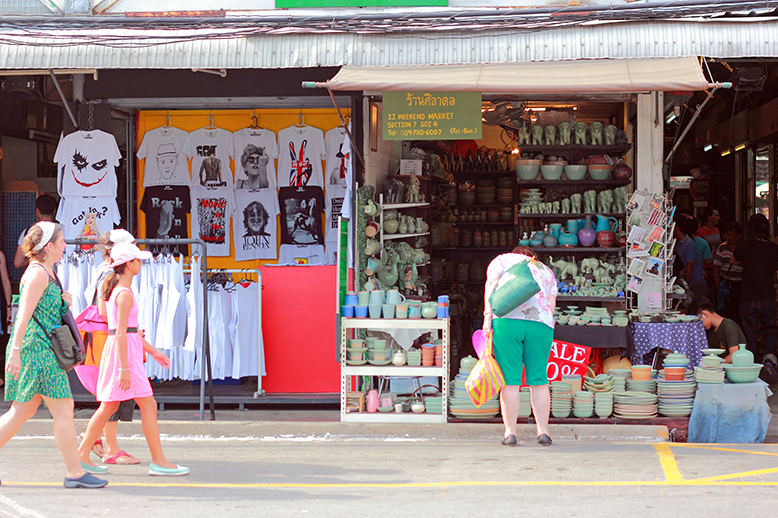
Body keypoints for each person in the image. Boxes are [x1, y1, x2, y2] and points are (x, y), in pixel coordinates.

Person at [0, 222, 107, 488]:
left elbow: (42, 310)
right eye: (61, 241)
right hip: (37, 350)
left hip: (36, 349)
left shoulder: (45, 271)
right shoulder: (38, 274)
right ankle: (74, 472)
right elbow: (22, 315)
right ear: (48, 246)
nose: (65, 245)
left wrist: (63, 300)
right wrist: (15, 352)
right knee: (62, 409)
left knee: (21, 411)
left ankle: (75, 471)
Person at [78, 242, 188, 476]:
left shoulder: (117, 290)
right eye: (138, 260)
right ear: (129, 265)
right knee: (144, 405)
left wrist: (151, 351)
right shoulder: (124, 294)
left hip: (122, 351)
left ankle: (81, 455)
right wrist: (125, 368)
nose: (141, 263)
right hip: (124, 354)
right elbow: (122, 332)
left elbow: (127, 331)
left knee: (110, 406)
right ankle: (158, 461)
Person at [483, 246, 557, 447]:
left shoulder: (501, 260)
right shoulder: (545, 270)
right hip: (540, 324)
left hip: (508, 322)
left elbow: (492, 285)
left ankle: (510, 433)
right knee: (539, 378)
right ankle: (543, 432)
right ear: (532, 256)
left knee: (510, 380)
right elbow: (551, 304)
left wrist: (487, 317)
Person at [79, 229, 140, 466]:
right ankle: (109, 447)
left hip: (106, 337)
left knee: (111, 395)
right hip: (110, 337)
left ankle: (98, 441)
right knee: (113, 395)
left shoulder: (101, 270)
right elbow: (105, 311)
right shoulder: (109, 274)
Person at [732, 213, 778, 384]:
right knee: (770, 329)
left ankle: (753, 365)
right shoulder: (774, 249)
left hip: (748, 296)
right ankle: (769, 360)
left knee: (750, 331)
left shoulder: (744, 246)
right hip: (767, 295)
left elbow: (732, 259)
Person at [690, 297, 745, 363]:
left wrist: (716, 365)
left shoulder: (728, 326)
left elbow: (733, 355)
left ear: (705, 314)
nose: (699, 325)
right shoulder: (710, 330)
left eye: (699, 321)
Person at [14, 194, 58, 269]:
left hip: (37, 276)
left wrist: (35, 257)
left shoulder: (28, 232)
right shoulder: (62, 231)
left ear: (37, 211)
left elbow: (18, 262)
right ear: (54, 210)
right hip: (58, 277)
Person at [712, 222, 743, 325]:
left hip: (740, 284)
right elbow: (717, 265)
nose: (730, 238)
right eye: (728, 235)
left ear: (739, 236)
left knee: (739, 311)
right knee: (724, 309)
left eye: (732, 235)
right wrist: (716, 280)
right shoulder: (723, 247)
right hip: (726, 283)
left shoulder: (744, 248)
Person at [673, 216, 707, 300]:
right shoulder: (678, 243)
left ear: (677, 228)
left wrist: (686, 284)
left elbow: (690, 267)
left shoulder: (688, 244)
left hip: (695, 283)